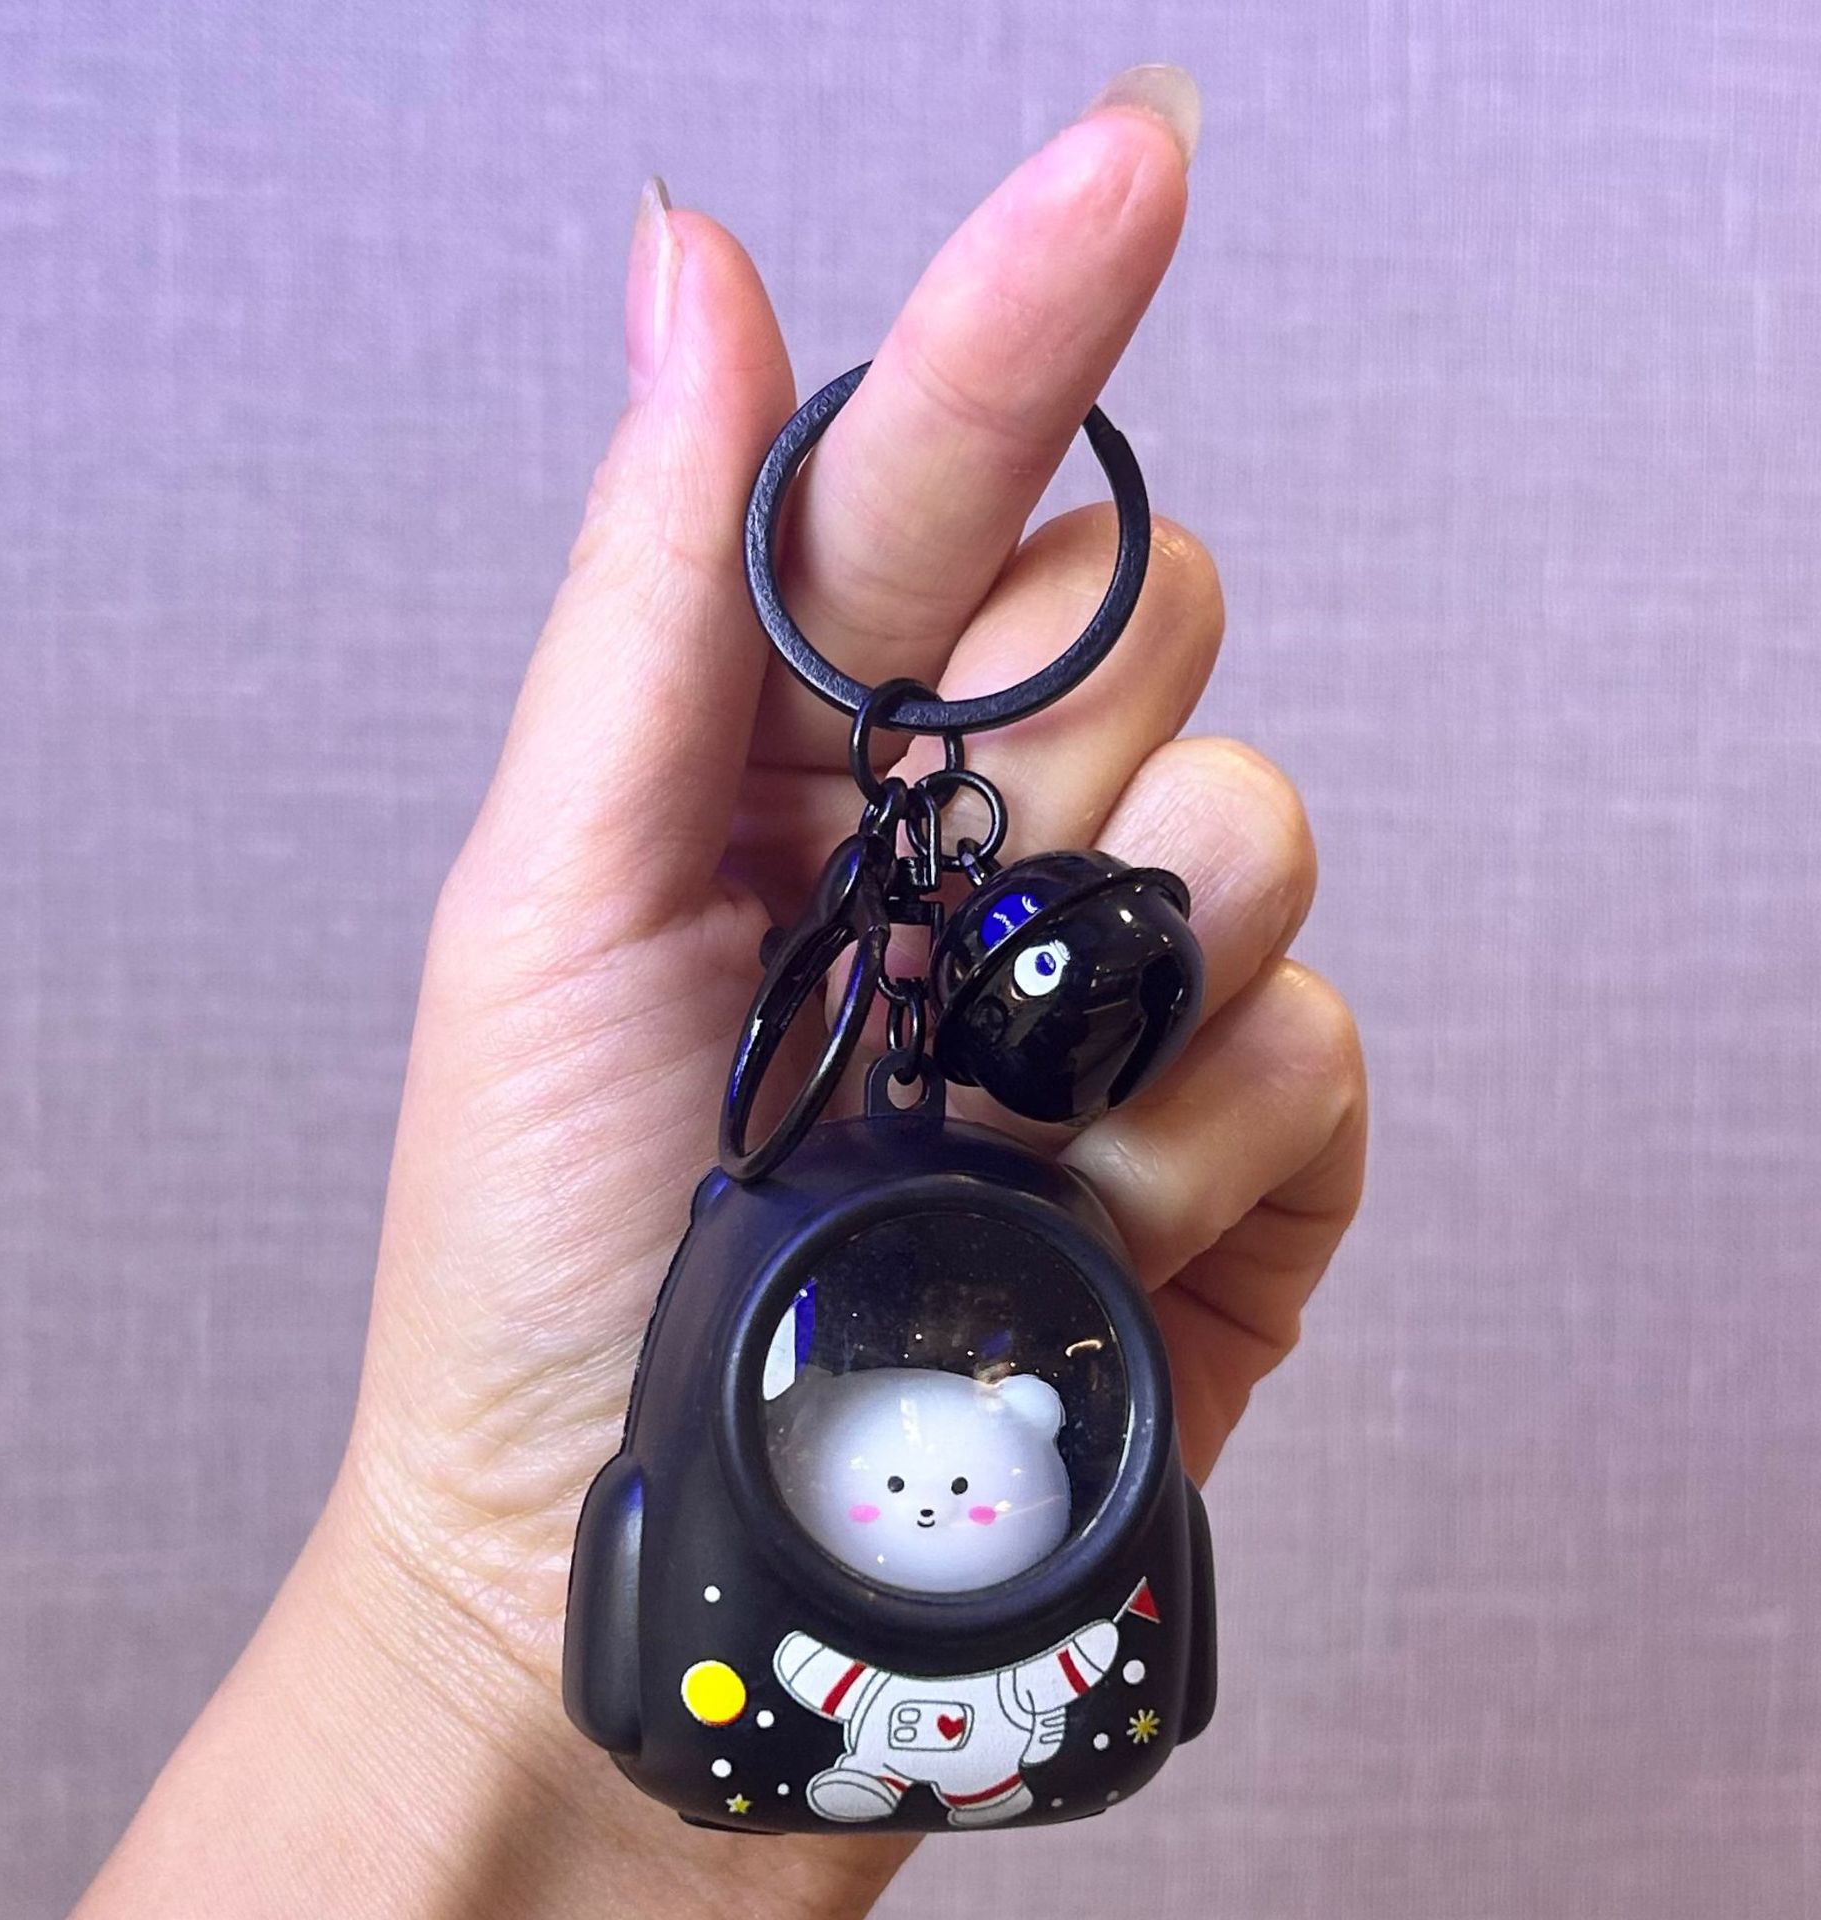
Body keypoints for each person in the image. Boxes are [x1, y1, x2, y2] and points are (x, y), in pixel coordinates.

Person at [73, 63, 1366, 1920]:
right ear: (816, 1434)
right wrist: (461, 1650)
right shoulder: (769, 1211)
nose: (927, 1517)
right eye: (894, 1482)